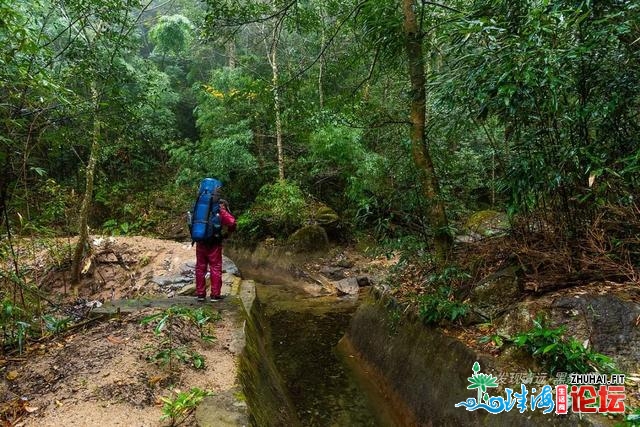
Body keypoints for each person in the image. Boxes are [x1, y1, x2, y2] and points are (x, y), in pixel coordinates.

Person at [195, 197, 236, 302]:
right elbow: (232, 222)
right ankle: (215, 295)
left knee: (200, 268)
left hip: (200, 243)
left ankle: (200, 294)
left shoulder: (199, 209)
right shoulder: (218, 210)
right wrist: (228, 231)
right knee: (215, 268)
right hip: (214, 244)